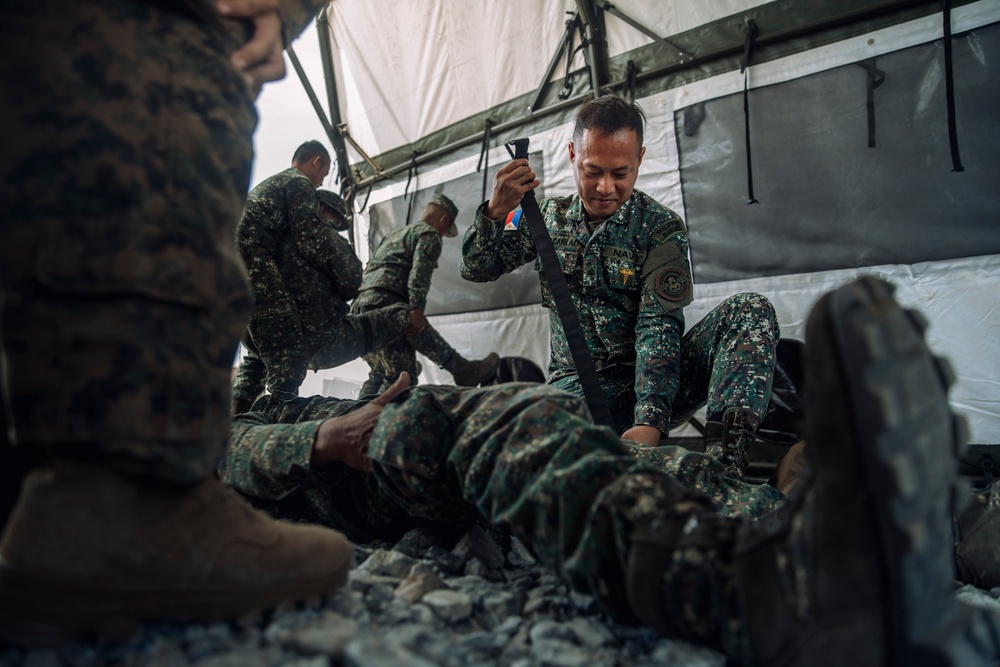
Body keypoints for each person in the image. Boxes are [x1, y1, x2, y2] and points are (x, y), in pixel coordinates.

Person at [221, 276, 999, 664]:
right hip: (331, 477)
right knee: (488, 423)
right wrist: (318, 438)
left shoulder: (640, 233)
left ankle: (927, 514)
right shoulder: (147, 404)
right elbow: (211, 449)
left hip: (370, 449)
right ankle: (744, 581)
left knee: (595, 446)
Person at [0, 0, 353, 645]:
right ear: (315, 167)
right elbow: (331, 260)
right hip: (273, 312)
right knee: (169, 74)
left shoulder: (269, 192)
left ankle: (45, 482)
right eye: (325, 170)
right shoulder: (296, 190)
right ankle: (137, 496)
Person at [461, 94, 778, 480]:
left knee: (748, 310)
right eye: (593, 171)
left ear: (640, 159)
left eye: (621, 173)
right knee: (517, 460)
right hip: (576, 388)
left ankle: (723, 470)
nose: (605, 187)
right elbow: (477, 269)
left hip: (654, 382)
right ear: (572, 155)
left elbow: (658, 328)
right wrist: (495, 211)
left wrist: (650, 419)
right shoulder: (544, 219)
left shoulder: (659, 228)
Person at [232, 185, 409, 413]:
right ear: (323, 210)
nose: (338, 227)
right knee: (399, 315)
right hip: (320, 340)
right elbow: (352, 281)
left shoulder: (275, 238)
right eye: (337, 220)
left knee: (256, 363)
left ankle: (235, 422)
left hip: (266, 333)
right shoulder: (324, 235)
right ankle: (389, 407)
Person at [352, 194, 500, 395]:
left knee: (378, 373)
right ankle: (462, 369)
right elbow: (419, 272)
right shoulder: (429, 234)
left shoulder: (395, 234)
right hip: (388, 303)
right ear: (443, 220)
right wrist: (416, 307)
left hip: (361, 307)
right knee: (401, 380)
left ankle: (356, 417)